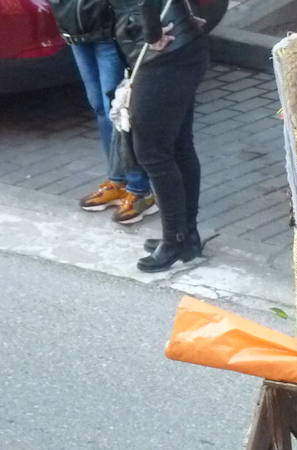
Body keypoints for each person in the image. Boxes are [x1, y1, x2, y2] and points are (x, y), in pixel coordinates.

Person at [113, 0, 210, 272]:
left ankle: (176, 240)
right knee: (178, 144)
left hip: (164, 54)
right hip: (181, 46)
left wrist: (152, 32)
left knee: (152, 151)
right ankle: (185, 235)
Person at [53, 0, 156, 225]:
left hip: (109, 29)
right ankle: (118, 180)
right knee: (101, 108)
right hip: (76, 27)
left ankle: (139, 189)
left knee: (118, 110)